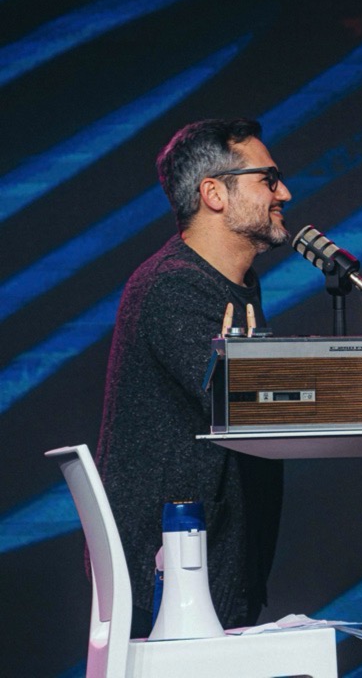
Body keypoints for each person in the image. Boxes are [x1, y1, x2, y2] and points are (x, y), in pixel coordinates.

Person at [97, 118, 294, 636]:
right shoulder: (173, 286)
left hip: (218, 565)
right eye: (268, 180)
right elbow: (247, 403)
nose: (284, 194)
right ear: (214, 194)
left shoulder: (233, 285)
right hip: (173, 582)